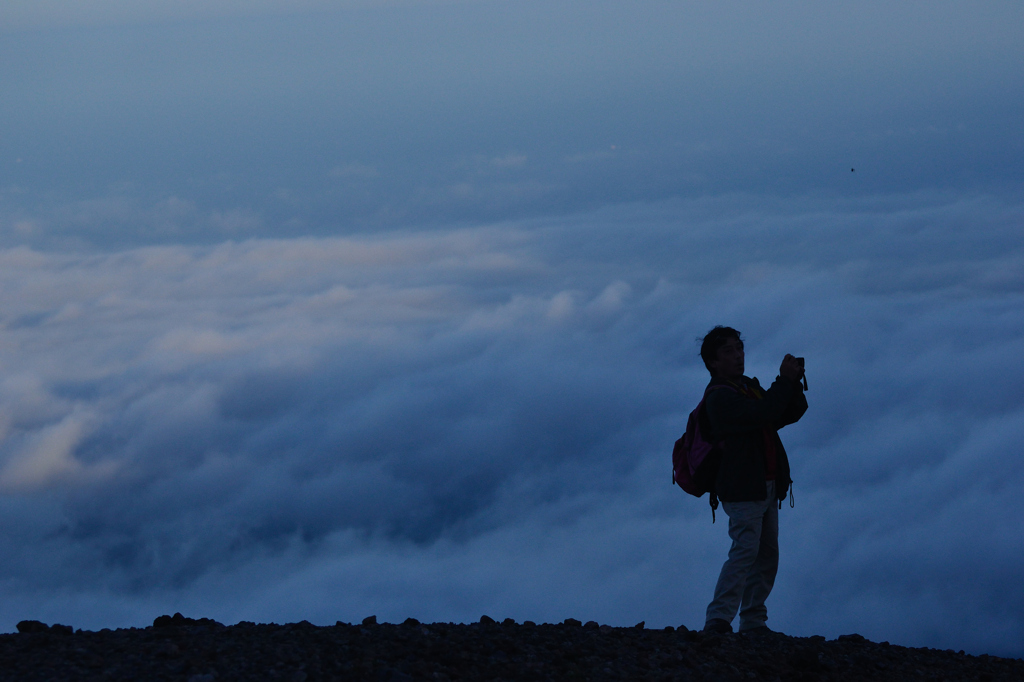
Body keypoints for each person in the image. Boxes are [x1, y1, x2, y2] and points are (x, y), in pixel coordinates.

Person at [698, 326, 807, 635]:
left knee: (765, 555)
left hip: (765, 483)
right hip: (743, 487)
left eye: (739, 348)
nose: (738, 355)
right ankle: (718, 620)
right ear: (713, 364)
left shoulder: (745, 388)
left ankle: (753, 621)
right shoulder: (720, 398)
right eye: (728, 352)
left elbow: (787, 412)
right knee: (746, 551)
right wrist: (784, 381)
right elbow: (766, 411)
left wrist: (793, 384)